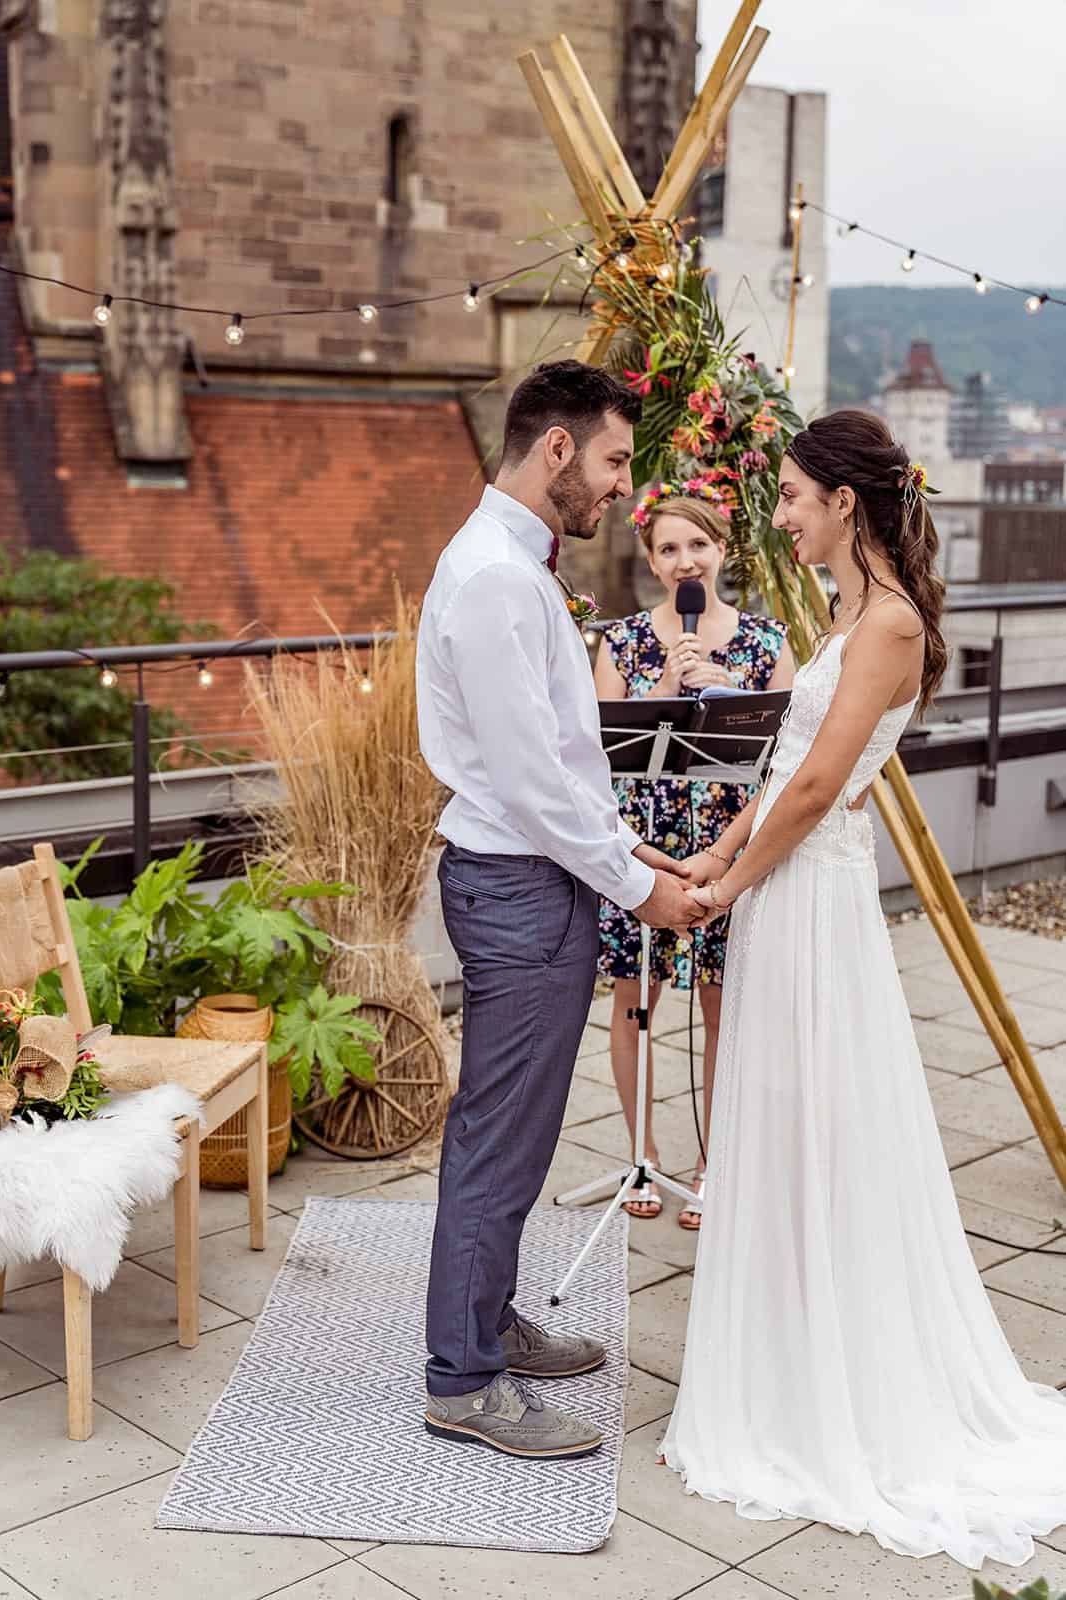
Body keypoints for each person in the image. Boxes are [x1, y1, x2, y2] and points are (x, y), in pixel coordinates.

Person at [661, 410, 1066, 1568]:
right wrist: (709, 850)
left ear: (844, 503)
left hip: (812, 902)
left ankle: (828, 1381)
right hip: (783, 884)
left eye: (790, 496)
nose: (777, 516)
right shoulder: (843, 614)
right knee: (781, 1120)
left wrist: (730, 883)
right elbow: (780, 771)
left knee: (819, 1121)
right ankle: (789, 1343)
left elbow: (819, 789)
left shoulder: (886, 623)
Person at [416, 359, 705, 1463]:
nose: (622, 488)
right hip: (518, 887)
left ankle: (483, 1322)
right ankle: (462, 1378)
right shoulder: (493, 577)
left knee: (520, 1132)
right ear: (554, 450)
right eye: (615, 459)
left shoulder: (507, 564)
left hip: (538, 876)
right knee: (498, 1137)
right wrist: (645, 891)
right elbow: (531, 782)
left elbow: (556, 763)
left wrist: (635, 850)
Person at [594, 493, 794, 1227]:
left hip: (726, 843)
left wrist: (729, 688)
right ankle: (641, 1157)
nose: (685, 561)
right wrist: (660, 687)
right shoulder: (617, 643)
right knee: (633, 1001)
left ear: (721, 551)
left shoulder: (765, 642)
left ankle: (714, 1164)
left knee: (722, 1007)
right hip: (640, 842)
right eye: (669, 549)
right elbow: (596, 756)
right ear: (651, 563)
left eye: (697, 546)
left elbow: (787, 761)